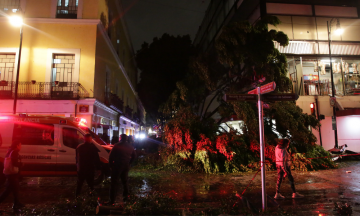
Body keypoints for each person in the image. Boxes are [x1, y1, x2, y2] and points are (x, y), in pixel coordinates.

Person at [108, 134, 136, 204]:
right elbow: (134, 156)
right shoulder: (130, 146)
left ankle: (112, 200)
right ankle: (125, 197)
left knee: (114, 183)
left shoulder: (117, 145)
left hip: (117, 166)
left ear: (120, 138)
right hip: (125, 166)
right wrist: (129, 163)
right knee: (125, 182)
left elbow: (111, 156)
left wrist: (111, 165)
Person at [0, 139, 24, 209]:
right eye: (20, 145)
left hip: (10, 174)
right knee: (8, 190)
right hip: (12, 174)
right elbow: (14, 163)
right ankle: (16, 203)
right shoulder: (14, 152)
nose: (21, 146)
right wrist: (21, 164)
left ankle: (17, 203)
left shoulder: (10, 151)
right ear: (17, 145)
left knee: (14, 189)